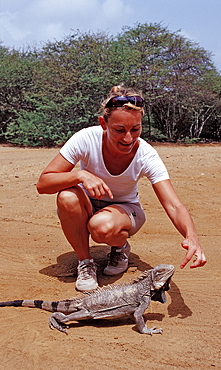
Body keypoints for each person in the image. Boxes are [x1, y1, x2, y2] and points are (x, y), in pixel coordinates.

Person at [36, 85, 207, 292]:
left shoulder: (146, 154)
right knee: (67, 196)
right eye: (119, 130)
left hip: (126, 211)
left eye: (135, 129)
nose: (128, 138)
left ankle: (120, 247)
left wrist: (192, 235)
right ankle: (86, 263)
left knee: (101, 227)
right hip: (87, 204)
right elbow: (43, 184)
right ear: (103, 124)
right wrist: (80, 174)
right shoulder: (85, 139)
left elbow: (173, 204)